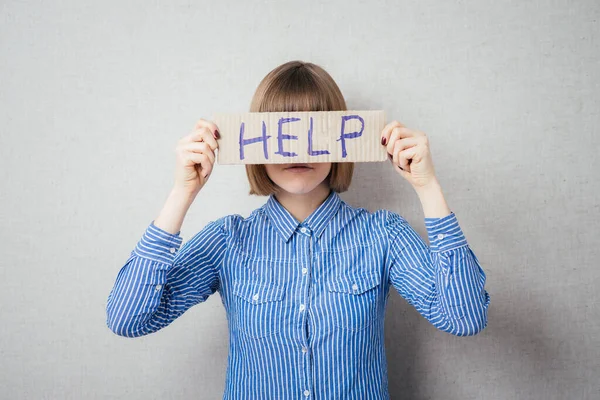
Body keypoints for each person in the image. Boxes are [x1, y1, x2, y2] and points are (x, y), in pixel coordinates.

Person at [106, 60, 491, 399]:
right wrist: (182, 192)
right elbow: (128, 319)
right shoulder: (227, 241)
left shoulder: (383, 235)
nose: (299, 148)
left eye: (315, 130)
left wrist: (427, 186)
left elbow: (464, 317)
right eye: (284, 132)